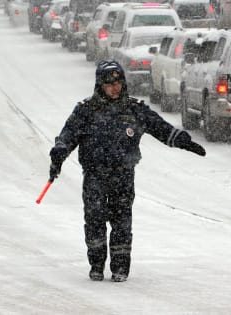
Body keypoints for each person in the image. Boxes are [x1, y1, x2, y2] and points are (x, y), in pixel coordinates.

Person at [49, 60, 206, 282]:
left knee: (122, 221)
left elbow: (160, 128)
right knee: (94, 220)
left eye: (118, 83)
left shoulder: (134, 109)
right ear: (99, 85)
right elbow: (67, 136)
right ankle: (96, 264)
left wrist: (182, 140)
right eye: (109, 84)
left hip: (123, 175)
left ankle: (120, 268)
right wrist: (58, 154)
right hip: (94, 175)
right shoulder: (86, 111)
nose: (115, 88)